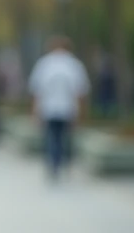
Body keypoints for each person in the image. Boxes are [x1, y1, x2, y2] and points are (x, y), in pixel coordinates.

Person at [28, 36, 90, 181]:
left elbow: (37, 91)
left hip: (49, 109)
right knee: (65, 138)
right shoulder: (74, 65)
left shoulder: (44, 64)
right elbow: (81, 91)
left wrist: (34, 112)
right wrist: (82, 113)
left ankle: (54, 165)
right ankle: (64, 164)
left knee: (52, 138)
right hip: (68, 109)